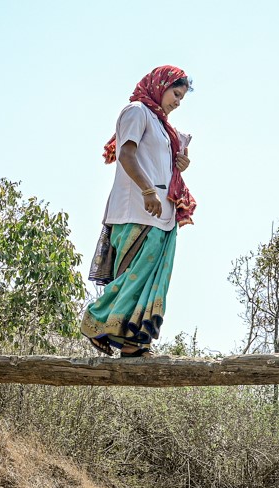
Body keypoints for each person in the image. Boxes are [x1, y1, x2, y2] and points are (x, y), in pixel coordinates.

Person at [82, 66, 196, 357]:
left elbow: (159, 162)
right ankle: (96, 321)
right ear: (160, 86)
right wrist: (148, 191)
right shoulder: (136, 112)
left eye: (182, 97)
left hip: (162, 216)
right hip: (135, 210)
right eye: (176, 93)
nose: (178, 101)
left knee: (150, 280)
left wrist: (180, 163)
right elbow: (126, 154)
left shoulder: (166, 129)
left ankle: (133, 343)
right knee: (131, 276)